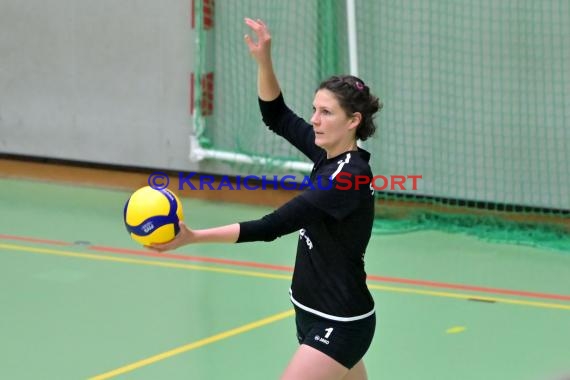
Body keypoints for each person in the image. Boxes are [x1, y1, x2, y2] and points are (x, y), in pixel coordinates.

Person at [151, 17, 383, 380]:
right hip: (313, 313)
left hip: (339, 322)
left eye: (326, 113)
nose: (315, 120)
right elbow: (276, 115)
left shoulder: (347, 177)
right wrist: (264, 62)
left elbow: (273, 225)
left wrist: (194, 237)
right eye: (315, 109)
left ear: (353, 121)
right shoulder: (329, 154)